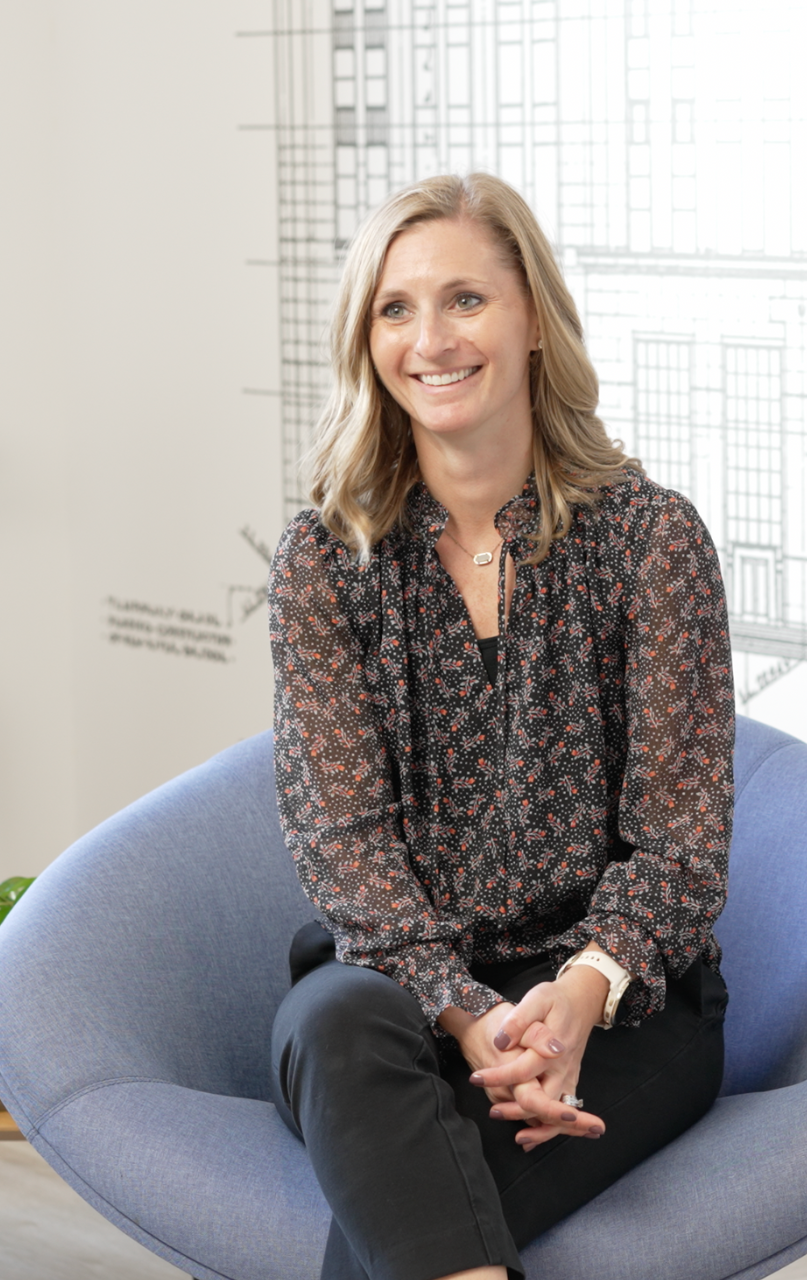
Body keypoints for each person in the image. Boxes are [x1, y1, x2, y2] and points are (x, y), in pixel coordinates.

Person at [268, 172, 734, 1280]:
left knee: (402, 1216)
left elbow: (681, 842)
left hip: (617, 1004)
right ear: (367, 339)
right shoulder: (323, 562)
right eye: (395, 308)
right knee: (335, 1025)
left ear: (533, 321)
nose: (430, 339)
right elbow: (343, 844)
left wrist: (575, 998)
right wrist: (467, 1013)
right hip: (391, 999)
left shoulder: (652, 541)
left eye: (466, 299)